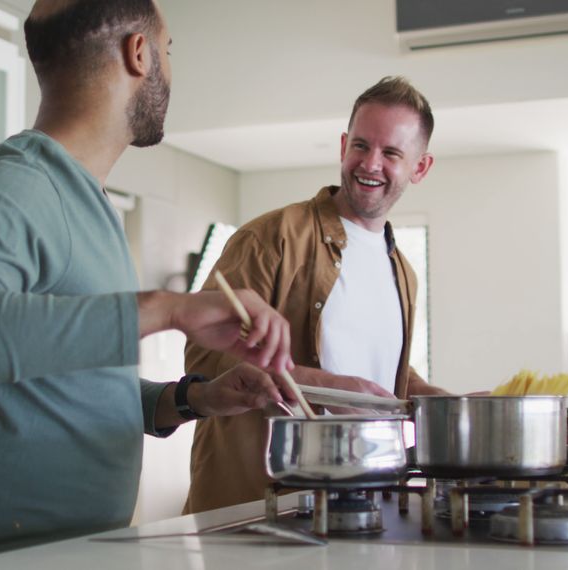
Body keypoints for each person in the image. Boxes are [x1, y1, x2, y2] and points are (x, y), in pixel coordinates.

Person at [0, 0, 297, 565]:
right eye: (169, 50)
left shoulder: (90, 203)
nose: (170, 69)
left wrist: (197, 397)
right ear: (139, 53)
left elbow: (69, 393)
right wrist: (167, 308)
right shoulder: (18, 178)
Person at [183, 76, 448, 514]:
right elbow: (206, 360)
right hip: (258, 507)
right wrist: (333, 389)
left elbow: (378, 372)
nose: (370, 163)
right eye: (361, 145)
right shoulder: (270, 237)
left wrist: (443, 402)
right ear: (344, 145)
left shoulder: (404, 272)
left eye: (391, 153)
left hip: (361, 506)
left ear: (420, 167)